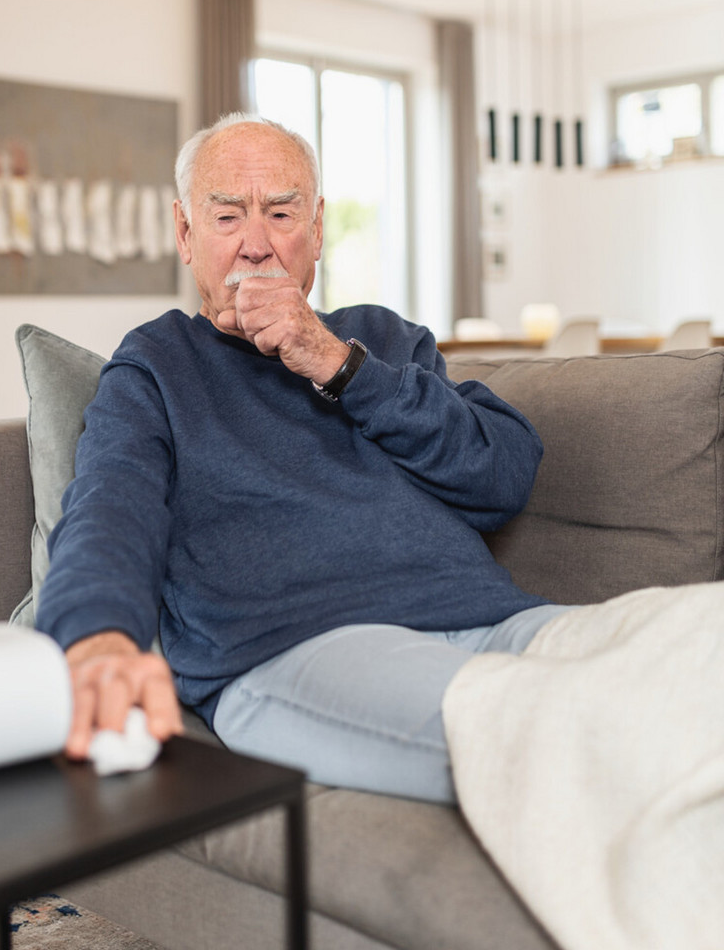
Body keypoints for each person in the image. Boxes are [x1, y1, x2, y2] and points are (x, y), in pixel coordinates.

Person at [36, 113, 572, 804]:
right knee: (555, 726)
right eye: (227, 217)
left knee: (683, 658)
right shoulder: (159, 363)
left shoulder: (382, 340)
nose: (256, 246)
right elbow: (112, 504)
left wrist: (337, 364)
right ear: (185, 233)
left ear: (315, 229)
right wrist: (99, 636)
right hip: (299, 648)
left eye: (281, 213)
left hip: (492, 621)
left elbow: (501, 475)